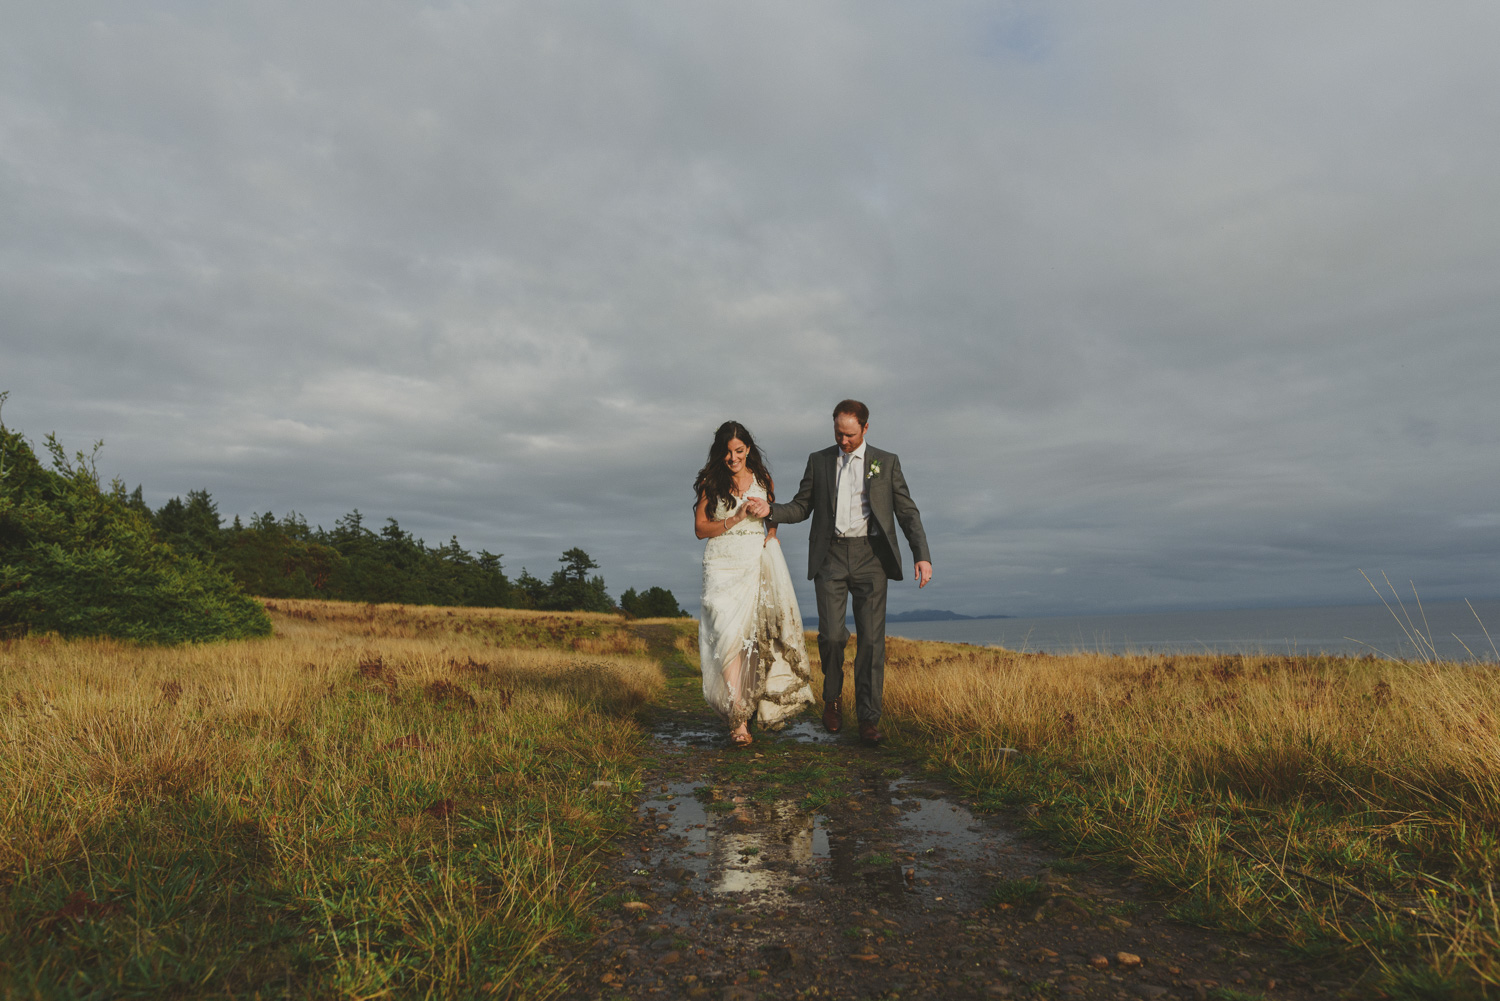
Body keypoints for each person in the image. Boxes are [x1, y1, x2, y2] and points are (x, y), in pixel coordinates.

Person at [743, 400, 931, 745]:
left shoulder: (885, 463)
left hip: (872, 557)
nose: (843, 441)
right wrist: (772, 510)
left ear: (865, 429)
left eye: (849, 434)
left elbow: (907, 512)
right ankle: (832, 699)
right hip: (830, 556)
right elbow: (802, 506)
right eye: (837, 433)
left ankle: (868, 718)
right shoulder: (820, 461)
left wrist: (922, 555)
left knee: (872, 643)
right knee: (830, 636)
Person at [693, 421, 814, 747]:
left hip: (753, 562)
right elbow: (701, 529)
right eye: (727, 452)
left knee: (751, 639)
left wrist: (770, 539)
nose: (733, 458)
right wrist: (733, 518)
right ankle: (738, 717)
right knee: (727, 635)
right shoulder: (711, 481)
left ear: (748, 449)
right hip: (720, 563)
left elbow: (772, 517)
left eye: (739, 451)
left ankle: (743, 714)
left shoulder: (763, 480)